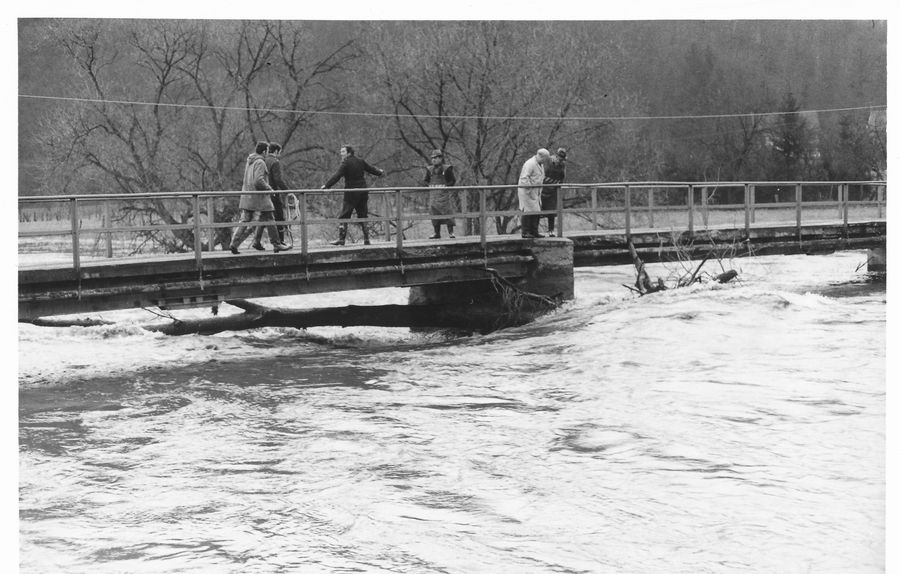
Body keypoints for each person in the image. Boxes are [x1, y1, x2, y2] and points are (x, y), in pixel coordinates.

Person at [229, 141, 291, 254]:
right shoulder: (260, 162)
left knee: (245, 220)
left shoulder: (250, 161)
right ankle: (277, 244)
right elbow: (258, 180)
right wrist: (269, 189)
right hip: (259, 198)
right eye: (266, 151)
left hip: (247, 196)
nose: (267, 154)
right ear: (263, 151)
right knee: (270, 218)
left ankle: (234, 243)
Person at [321, 144, 385, 246]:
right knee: (363, 216)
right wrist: (380, 172)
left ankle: (341, 240)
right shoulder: (360, 161)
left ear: (348, 152)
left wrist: (326, 186)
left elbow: (337, 176)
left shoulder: (346, 163)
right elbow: (371, 169)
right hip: (363, 192)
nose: (341, 154)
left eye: (343, 152)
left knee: (344, 216)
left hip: (351, 193)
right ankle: (367, 240)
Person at [424, 149, 457, 239]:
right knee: (434, 213)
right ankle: (436, 233)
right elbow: (425, 181)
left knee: (448, 212)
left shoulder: (447, 169)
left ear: (440, 158)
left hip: (444, 196)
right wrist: (430, 186)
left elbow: (453, 181)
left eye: (436, 158)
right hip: (433, 195)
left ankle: (451, 233)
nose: (433, 160)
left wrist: (445, 186)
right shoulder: (429, 169)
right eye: (432, 158)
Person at [517, 148, 550, 238]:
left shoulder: (540, 164)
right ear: (540, 156)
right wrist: (529, 190)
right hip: (527, 191)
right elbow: (524, 179)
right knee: (528, 211)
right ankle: (526, 232)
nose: (545, 161)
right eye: (544, 159)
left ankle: (534, 231)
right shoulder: (530, 164)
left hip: (536, 191)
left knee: (536, 211)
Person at [262, 142, 290, 245]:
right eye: (279, 152)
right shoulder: (275, 162)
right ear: (276, 151)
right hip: (274, 193)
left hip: (264, 194)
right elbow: (278, 179)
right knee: (279, 217)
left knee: (264, 217)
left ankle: (258, 241)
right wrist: (286, 190)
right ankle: (280, 241)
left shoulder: (263, 160)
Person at [541, 147, 567, 237]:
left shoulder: (562, 165)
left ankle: (551, 230)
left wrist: (558, 184)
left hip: (554, 191)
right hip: (543, 190)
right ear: (556, 156)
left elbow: (562, 178)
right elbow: (542, 176)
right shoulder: (548, 162)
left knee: (552, 211)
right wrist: (553, 183)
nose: (561, 161)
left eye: (562, 159)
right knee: (538, 210)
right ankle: (534, 230)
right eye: (560, 158)